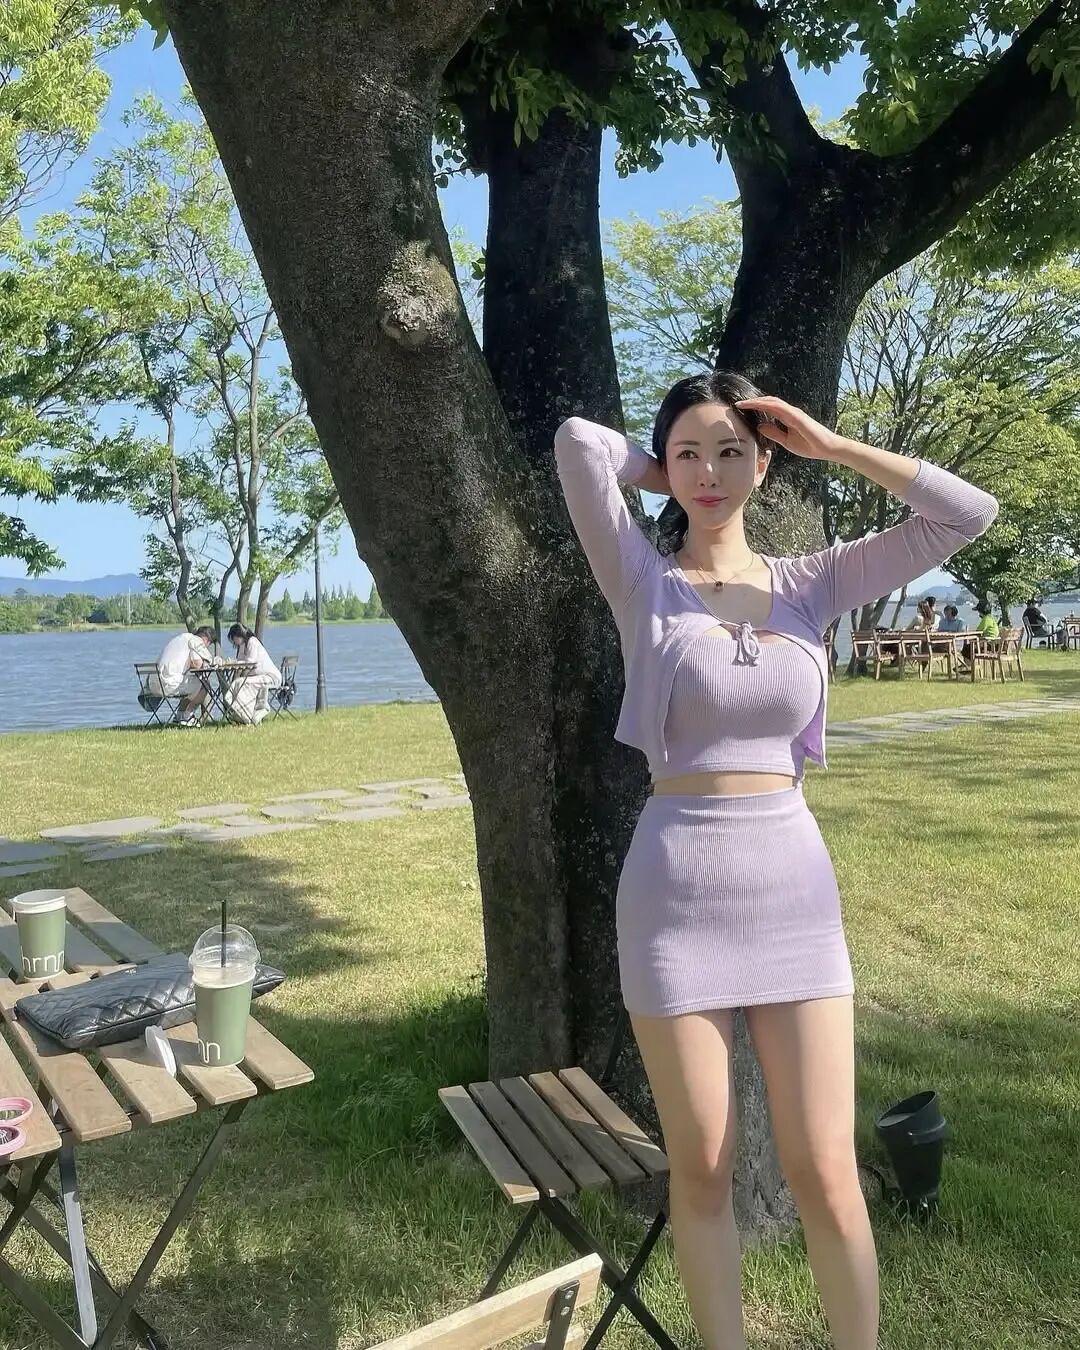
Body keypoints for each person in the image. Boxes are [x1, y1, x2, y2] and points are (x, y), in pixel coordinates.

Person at [553, 371, 998, 1350]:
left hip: (793, 895)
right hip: (675, 899)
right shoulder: (642, 581)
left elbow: (967, 514)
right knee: (704, 1167)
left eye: (730, 452)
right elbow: (580, 442)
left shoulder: (813, 582)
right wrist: (669, 467)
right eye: (689, 454)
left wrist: (829, 447)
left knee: (826, 1168)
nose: (709, 472)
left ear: (764, 463)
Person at [149, 626, 216, 726]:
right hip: (169, 684)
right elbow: (198, 664)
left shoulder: (179, 639)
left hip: (154, 684)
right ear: (206, 638)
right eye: (209, 643)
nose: (206, 646)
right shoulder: (195, 641)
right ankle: (188, 716)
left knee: (189, 684)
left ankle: (179, 716)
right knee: (205, 685)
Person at [223, 623, 282, 725]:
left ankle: (246, 714)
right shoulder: (243, 645)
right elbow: (240, 660)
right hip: (259, 677)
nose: (234, 641)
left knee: (243, 683)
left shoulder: (252, 641)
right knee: (239, 682)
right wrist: (234, 663)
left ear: (238, 635)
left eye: (234, 638)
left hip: (270, 677)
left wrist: (236, 663)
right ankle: (241, 712)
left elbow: (251, 662)